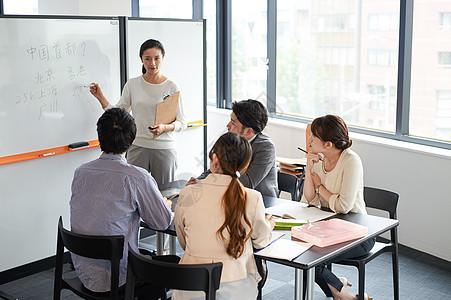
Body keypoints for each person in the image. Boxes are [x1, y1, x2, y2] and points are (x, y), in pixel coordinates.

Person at [70, 108, 174, 293]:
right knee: (174, 264)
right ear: (132, 140)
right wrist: (164, 206)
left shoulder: (81, 172)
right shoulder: (137, 177)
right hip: (119, 278)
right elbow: (162, 222)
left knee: (145, 254)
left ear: (100, 137)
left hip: (83, 270)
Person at [173, 132, 275, 300]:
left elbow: (184, 240)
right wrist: (268, 226)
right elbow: (261, 241)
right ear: (244, 166)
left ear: (214, 159)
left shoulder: (187, 193)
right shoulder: (252, 197)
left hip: (190, 285)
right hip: (237, 288)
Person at [89, 39, 187, 188]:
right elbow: (118, 114)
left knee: (164, 195)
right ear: (141, 59)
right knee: (133, 192)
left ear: (163, 58)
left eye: (156, 58)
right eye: (147, 59)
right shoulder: (132, 84)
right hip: (137, 147)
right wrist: (101, 97)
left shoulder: (171, 86)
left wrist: (164, 128)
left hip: (164, 149)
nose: (152, 63)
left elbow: (182, 122)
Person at [301, 114, 375, 300]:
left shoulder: (351, 161)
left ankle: (347, 297)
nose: (309, 139)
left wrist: (320, 187)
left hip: (358, 233)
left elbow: (343, 206)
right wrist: (308, 169)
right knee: (303, 255)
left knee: (312, 262)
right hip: (329, 229)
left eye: (314, 136)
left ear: (328, 144)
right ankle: (339, 289)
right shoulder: (320, 158)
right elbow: (309, 200)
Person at [189, 99, 278, 197]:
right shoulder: (230, 140)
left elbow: (248, 183)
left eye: (233, 122)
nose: (228, 125)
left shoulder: (265, 147)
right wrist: (199, 181)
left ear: (248, 131)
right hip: (231, 196)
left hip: (262, 201)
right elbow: (216, 167)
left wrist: (210, 183)